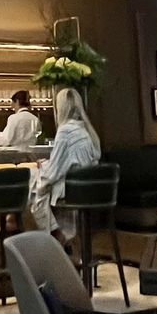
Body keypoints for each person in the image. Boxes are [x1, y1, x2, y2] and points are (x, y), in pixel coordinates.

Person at [30, 88, 102, 239]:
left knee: (33, 184)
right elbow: (71, 161)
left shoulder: (65, 131)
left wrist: (43, 167)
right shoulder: (86, 130)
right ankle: (57, 234)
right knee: (37, 182)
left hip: (72, 191)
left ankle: (55, 235)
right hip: (89, 189)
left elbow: (53, 172)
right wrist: (48, 164)